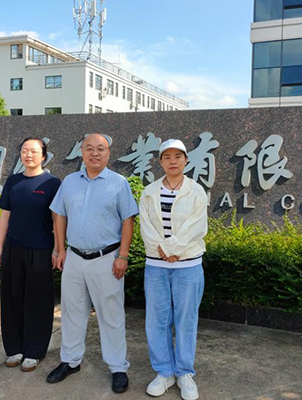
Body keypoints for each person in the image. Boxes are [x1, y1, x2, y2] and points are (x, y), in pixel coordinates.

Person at [46, 133, 138, 394]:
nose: (94, 153)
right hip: (74, 258)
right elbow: (59, 215)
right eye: (89, 148)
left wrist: (122, 256)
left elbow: (128, 220)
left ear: (108, 153)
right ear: (82, 152)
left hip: (106, 259)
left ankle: (118, 367)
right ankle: (70, 361)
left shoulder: (118, 183)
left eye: (100, 149)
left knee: (111, 315)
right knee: (72, 313)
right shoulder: (69, 182)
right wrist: (59, 249)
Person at [138, 139, 208, 400]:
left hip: (188, 265)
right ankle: (164, 372)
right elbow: (146, 226)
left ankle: (185, 373)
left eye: (178, 156)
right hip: (156, 265)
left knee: (186, 320)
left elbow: (197, 226)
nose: (173, 161)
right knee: (157, 320)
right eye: (167, 157)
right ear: (160, 162)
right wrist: (165, 251)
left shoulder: (196, 191)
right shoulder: (149, 191)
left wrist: (173, 248)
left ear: (186, 160)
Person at [0, 137, 61, 372]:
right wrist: (0, 247)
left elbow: (57, 219)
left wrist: (58, 249)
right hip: (13, 248)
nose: (28, 155)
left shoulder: (52, 183)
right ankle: (14, 349)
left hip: (40, 249)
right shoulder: (13, 181)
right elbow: (5, 215)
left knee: (38, 301)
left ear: (43, 156)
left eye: (33, 151)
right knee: (12, 299)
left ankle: (34, 351)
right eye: (24, 151)